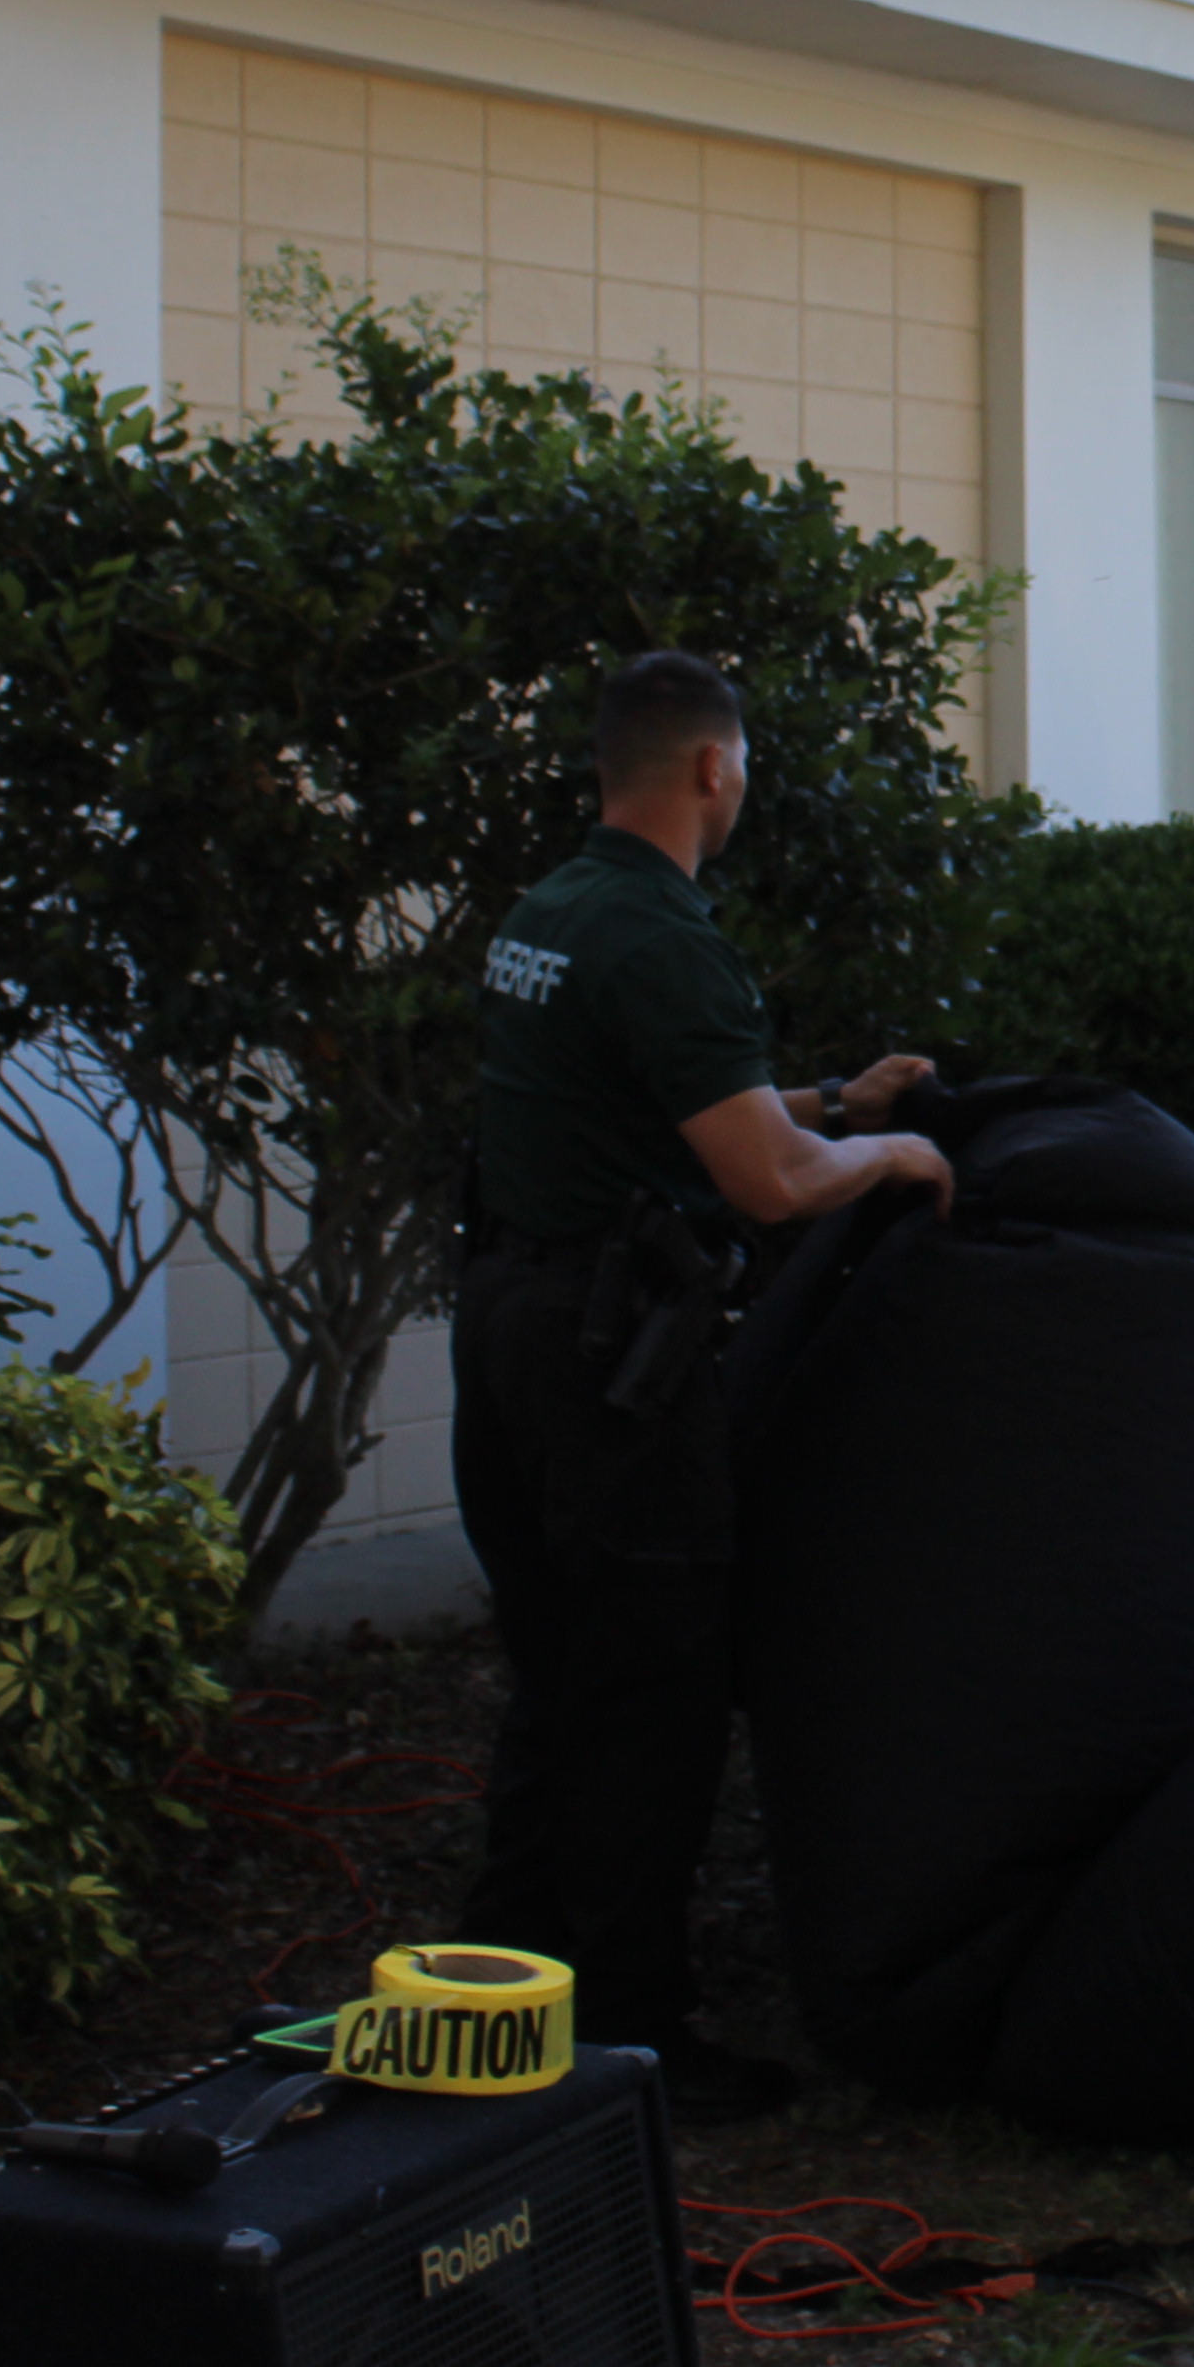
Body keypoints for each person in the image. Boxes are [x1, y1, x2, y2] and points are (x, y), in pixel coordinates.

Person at [454, 650, 954, 2125]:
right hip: (612, 1364)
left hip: (510, 1329)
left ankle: (500, 1977)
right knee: (654, 1684)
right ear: (712, 768)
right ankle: (631, 2031)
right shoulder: (665, 939)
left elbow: (676, 1114)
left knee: (560, 1668)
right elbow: (771, 1186)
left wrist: (833, 1101)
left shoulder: (553, 914)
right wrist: (892, 1152)